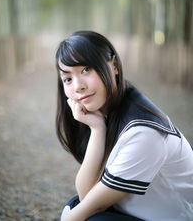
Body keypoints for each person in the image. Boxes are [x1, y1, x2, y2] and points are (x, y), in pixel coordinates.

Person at [55, 30, 193, 221]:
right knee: (74, 206)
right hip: (139, 213)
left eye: (86, 69)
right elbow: (86, 193)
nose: (78, 86)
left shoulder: (143, 132)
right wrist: (97, 129)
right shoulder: (109, 112)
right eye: (68, 79)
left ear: (114, 66)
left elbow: (89, 207)